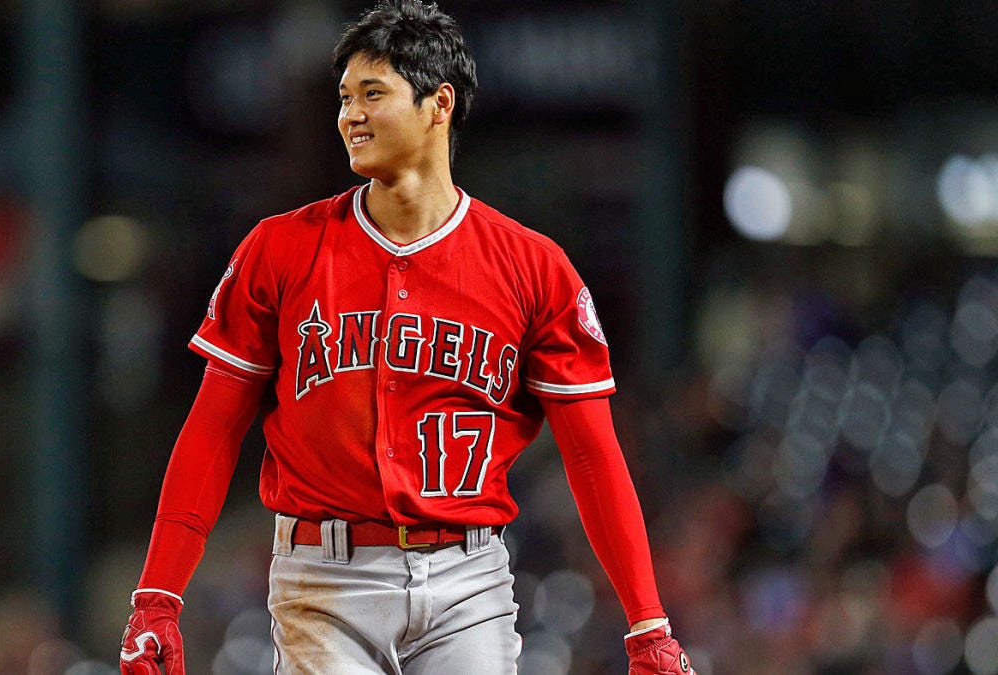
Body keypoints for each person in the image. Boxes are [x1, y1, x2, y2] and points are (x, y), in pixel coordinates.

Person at [119, 1, 695, 673]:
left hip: (468, 583)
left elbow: (594, 457)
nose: (350, 116)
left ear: (438, 104)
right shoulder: (279, 250)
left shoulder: (535, 268)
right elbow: (213, 428)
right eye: (344, 98)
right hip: (324, 582)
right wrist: (157, 594)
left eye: (373, 93)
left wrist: (647, 621)